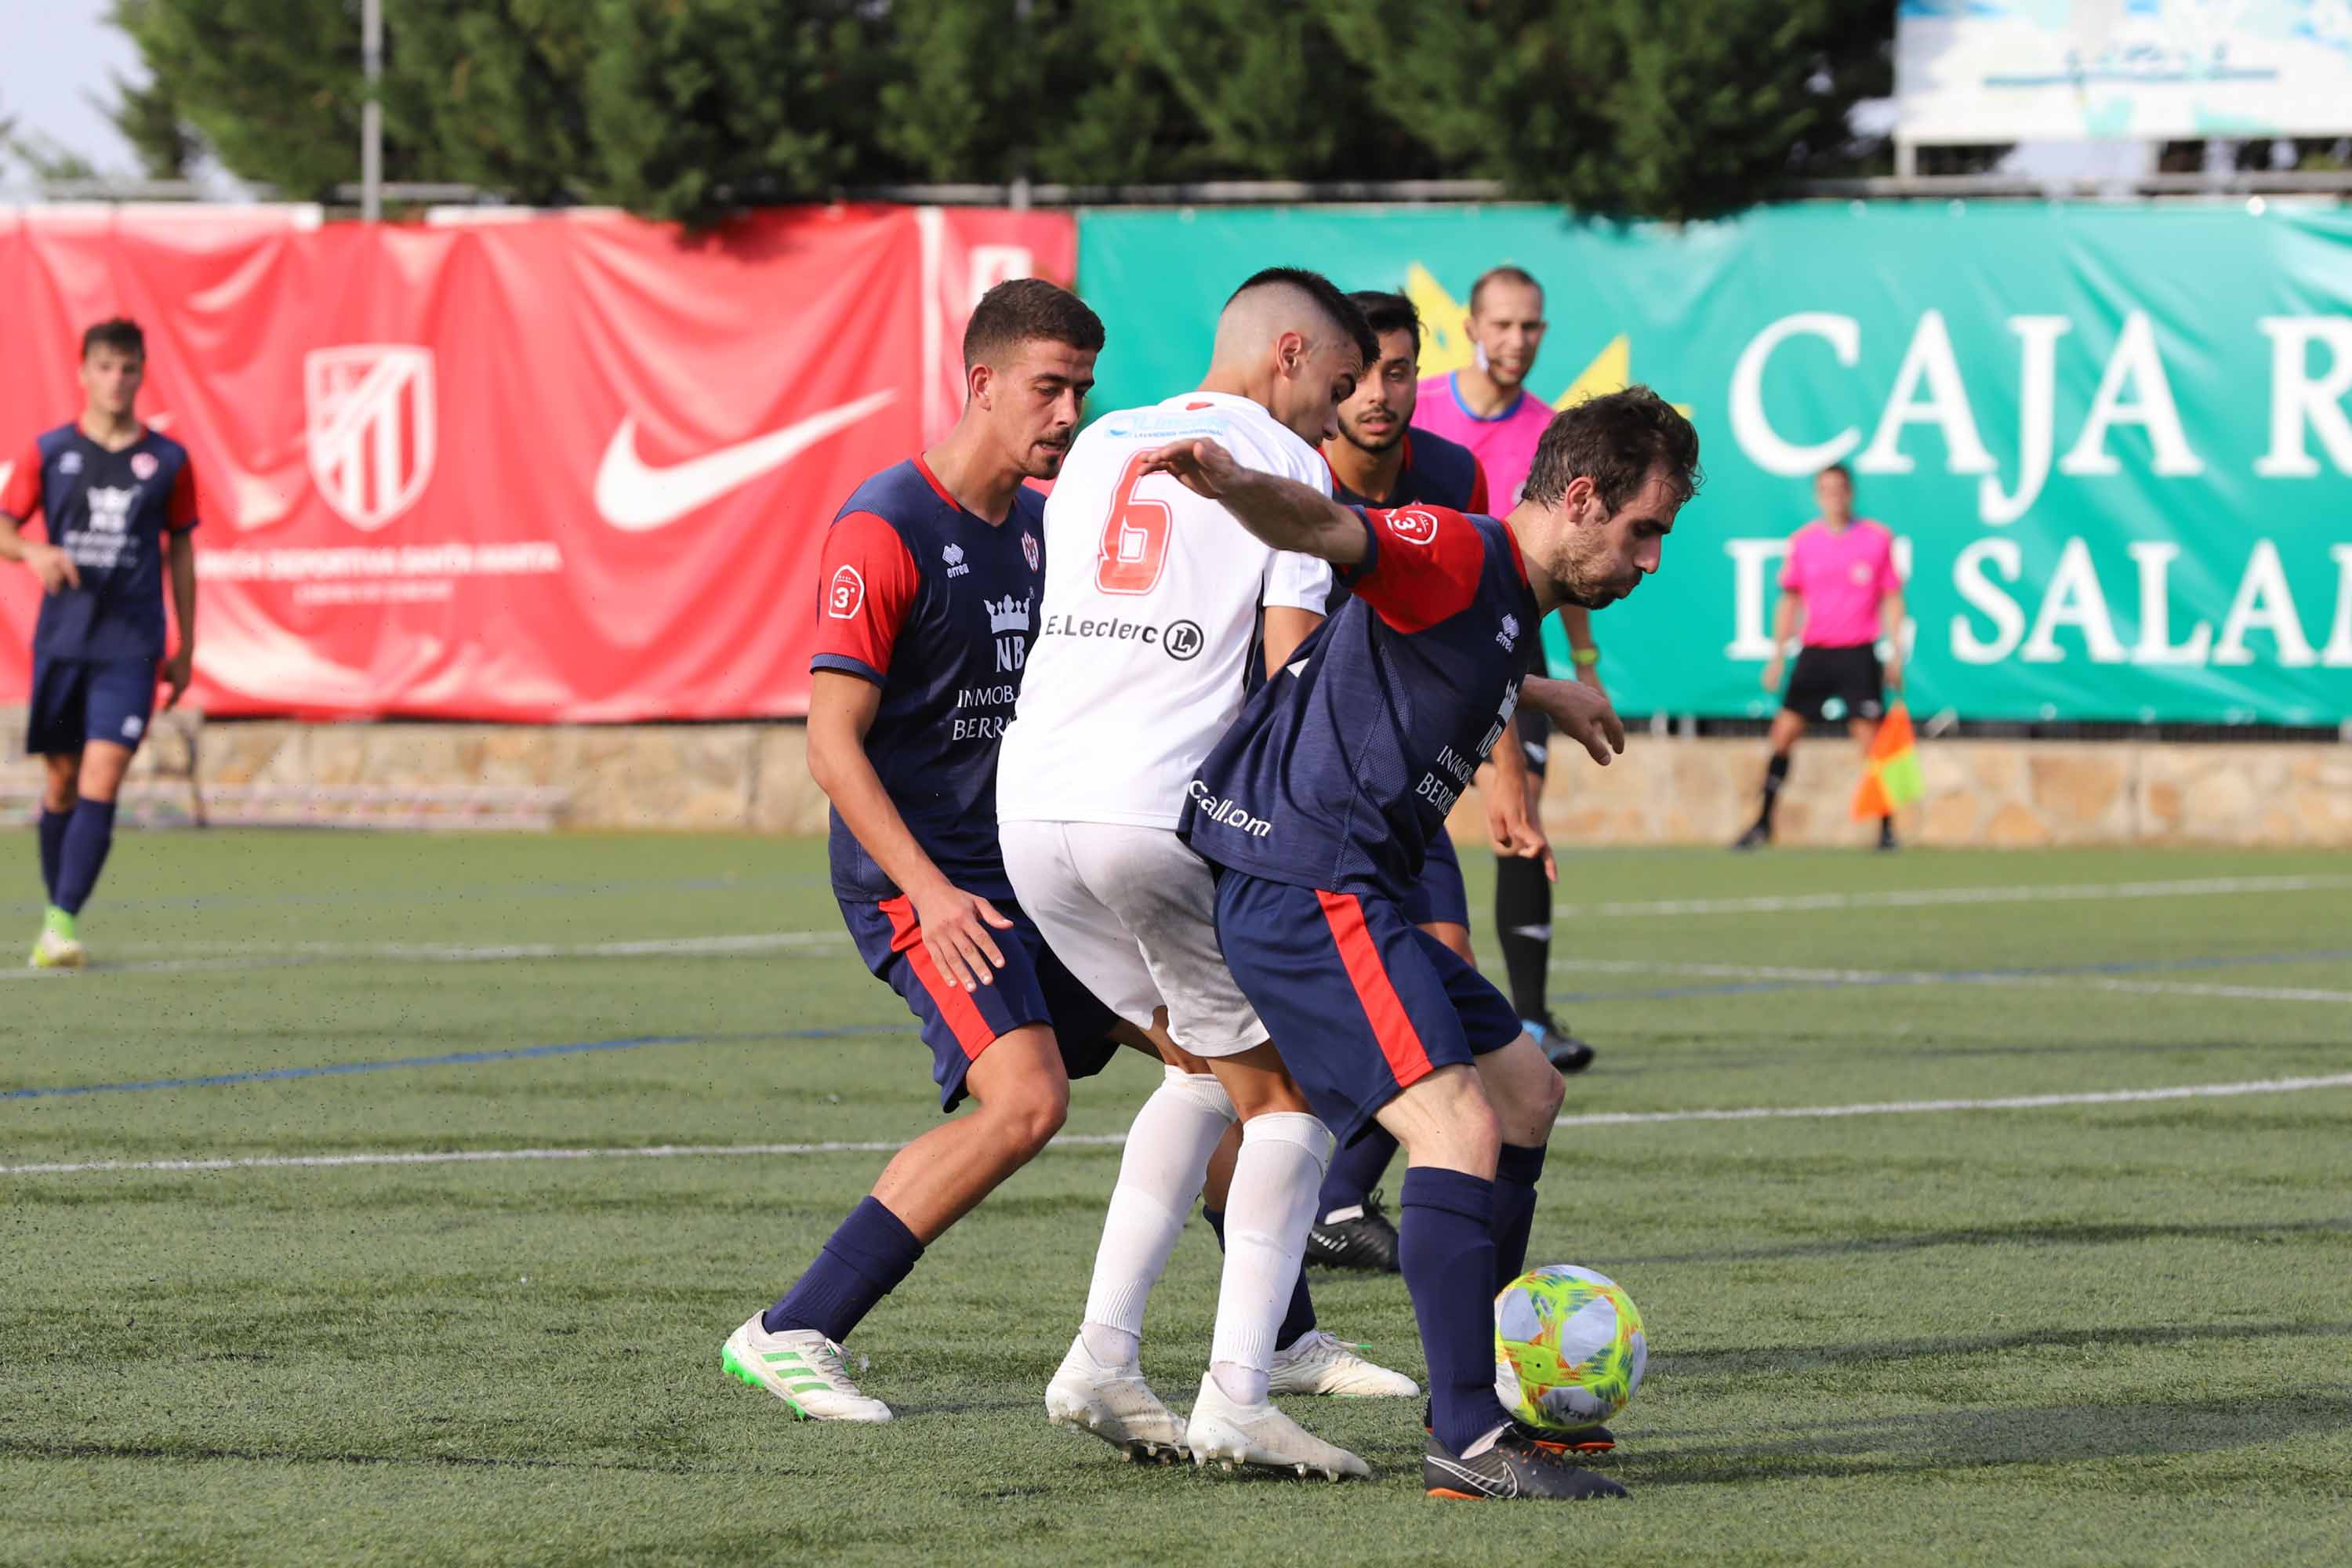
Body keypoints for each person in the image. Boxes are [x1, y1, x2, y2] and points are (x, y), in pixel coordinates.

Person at [1153, 385, 1702, 1501]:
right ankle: (1468, 1436)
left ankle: (1493, 1396)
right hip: (1307, 885)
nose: (1650, 561)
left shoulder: (1510, 598)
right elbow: (1334, 533)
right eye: (1644, 529)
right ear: (1584, 498)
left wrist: (1544, 692)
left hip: (1353, 891)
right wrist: (1233, 485)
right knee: (1454, 1124)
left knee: (1525, 1093)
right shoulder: (1453, 545)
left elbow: (1462, 653)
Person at [999, 267, 1409, 1482]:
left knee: (1198, 1064)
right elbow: (1289, 675)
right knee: (1298, 1091)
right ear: (1288, 354)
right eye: (1335, 388)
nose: (1337, 418)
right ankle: (1241, 1392)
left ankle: (1104, 1356)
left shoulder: (1098, 444)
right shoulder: (1283, 472)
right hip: (1151, 808)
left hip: (1035, 809)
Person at [721, 279, 1136, 1424]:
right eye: (1049, 388)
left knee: (1216, 1047)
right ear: (984, 383)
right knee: (1025, 1103)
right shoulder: (887, 524)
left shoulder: (1050, 532)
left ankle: (1279, 1339)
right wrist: (931, 893)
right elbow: (829, 744)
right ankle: (793, 1328)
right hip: (926, 878)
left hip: (1033, 870)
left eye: (1084, 391)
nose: (1068, 413)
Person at [1302, 289, 1547, 1275]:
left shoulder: (1450, 472)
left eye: (1397, 371)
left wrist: (1509, 767)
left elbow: (1478, 628)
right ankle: (1298, 1228)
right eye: (1355, 375)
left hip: (1407, 788)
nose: (1376, 394)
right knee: (1245, 1080)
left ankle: (1344, 1198)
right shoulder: (1293, 474)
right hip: (1307, 801)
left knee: (1447, 982)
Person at [1410, 266, 1598, 1072]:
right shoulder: (1412, 410)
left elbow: (1577, 553)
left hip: (1521, 641)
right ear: (1473, 328)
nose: (1519, 341)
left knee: (1523, 820)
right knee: (1404, 817)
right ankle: (1396, 1001)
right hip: (1419, 635)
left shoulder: (1554, 431)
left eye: (1533, 327)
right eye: (1505, 325)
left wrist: (1583, 666)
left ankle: (1528, 1017)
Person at [1, 318, 198, 969]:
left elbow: (180, 554)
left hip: (132, 645)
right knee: (60, 784)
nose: (117, 380)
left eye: (129, 368)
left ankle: (61, 923)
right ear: (83, 371)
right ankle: (57, 915)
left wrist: (186, 645)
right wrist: (31, 551)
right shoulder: (49, 452)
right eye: (106, 367)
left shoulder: (167, 461)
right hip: (63, 641)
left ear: (143, 373)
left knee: (103, 772)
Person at [1735, 463, 1905, 851]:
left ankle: (1887, 828)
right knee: (1783, 735)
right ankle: (1763, 823)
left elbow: (1892, 599)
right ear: (1818, 495)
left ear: (1850, 493)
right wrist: (1778, 656)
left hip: (1858, 653)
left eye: (1839, 489)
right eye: (1825, 489)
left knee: (1871, 742)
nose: (1833, 496)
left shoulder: (1876, 539)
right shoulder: (1804, 542)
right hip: (1816, 653)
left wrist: (1896, 653)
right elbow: (1789, 601)